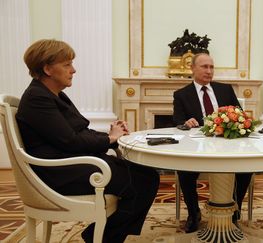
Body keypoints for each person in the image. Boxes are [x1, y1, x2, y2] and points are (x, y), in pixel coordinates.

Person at [16, 39, 160, 243]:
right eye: (67, 64)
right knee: (144, 180)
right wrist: (110, 139)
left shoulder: (54, 95)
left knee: (144, 174)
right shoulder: (37, 99)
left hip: (73, 163)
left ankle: (103, 235)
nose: (73, 70)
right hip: (59, 172)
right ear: (48, 69)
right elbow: (71, 141)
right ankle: (101, 237)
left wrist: (110, 137)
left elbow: (79, 132)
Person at [173, 53, 252, 232]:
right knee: (184, 170)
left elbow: (240, 116)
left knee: (246, 168)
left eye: (211, 67)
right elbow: (177, 121)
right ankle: (194, 213)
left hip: (227, 146)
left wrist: (235, 122)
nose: (209, 71)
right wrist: (185, 123)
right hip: (196, 148)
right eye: (204, 67)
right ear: (192, 68)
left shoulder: (225, 90)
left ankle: (234, 211)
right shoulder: (181, 95)